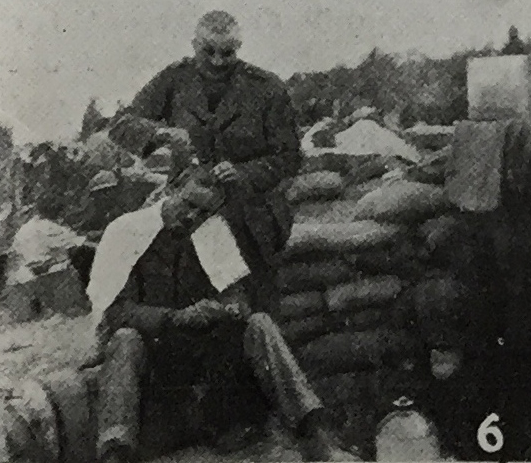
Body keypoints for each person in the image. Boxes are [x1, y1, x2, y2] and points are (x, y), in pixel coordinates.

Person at [92, 169, 358, 463]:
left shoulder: (213, 233)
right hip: (153, 350)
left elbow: (237, 295)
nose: (192, 216)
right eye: (188, 204)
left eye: (204, 211)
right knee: (124, 339)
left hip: (201, 350)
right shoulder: (127, 231)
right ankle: (115, 451)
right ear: (171, 190)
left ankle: (316, 433)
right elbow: (116, 311)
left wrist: (227, 308)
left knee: (259, 324)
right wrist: (175, 317)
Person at [112, 10, 301, 314]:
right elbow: (121, 125)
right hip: (187, 199)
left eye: (227, 53)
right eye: (208, 51)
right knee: (140, 244)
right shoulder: (175, 79)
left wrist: (243, 172)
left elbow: (289, 157)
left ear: (238, 48)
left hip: (252, 206)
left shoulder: (266, 88)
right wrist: (160, 133)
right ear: (194, 45)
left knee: (238, 279)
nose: (217, 61)